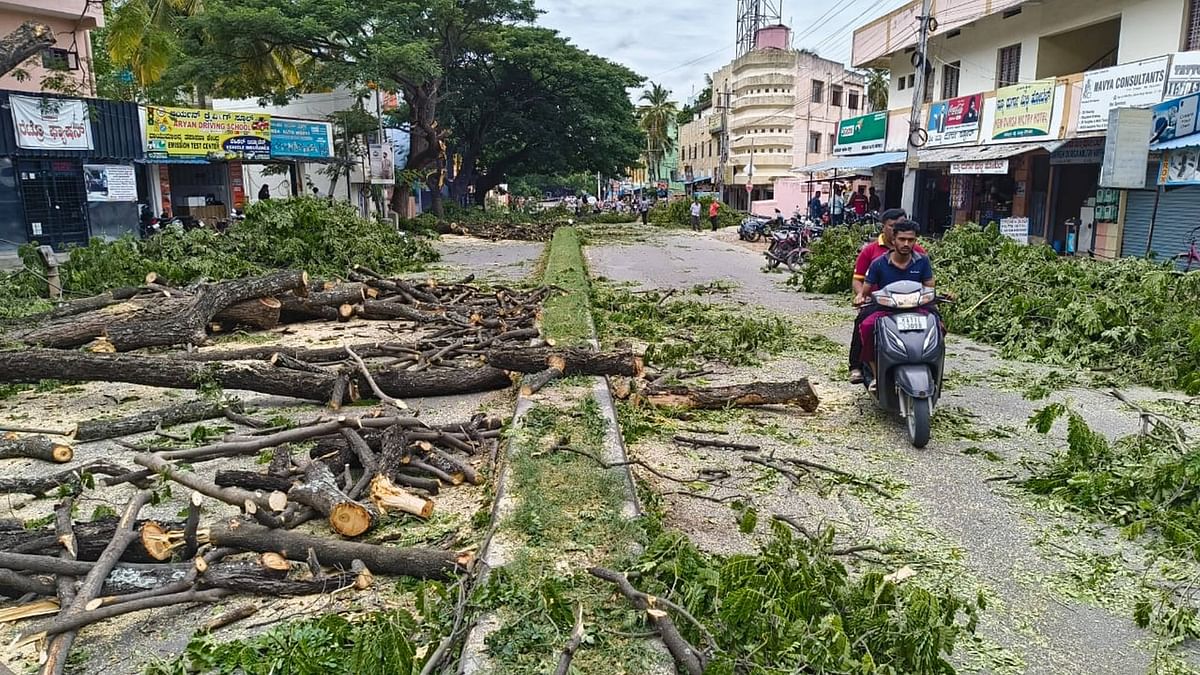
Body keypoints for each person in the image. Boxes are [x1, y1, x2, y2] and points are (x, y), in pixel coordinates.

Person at [848, 208, 926, 384]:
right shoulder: (871, 253)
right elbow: (858, 280)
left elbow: (928, 282)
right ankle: (856, 366)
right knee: (864, 323)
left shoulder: (920, 254)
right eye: (893, 227)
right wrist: (862, 296)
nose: (899, 231)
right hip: (880, 302)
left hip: (912, 302)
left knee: (936, 323)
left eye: (909, 237)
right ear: (884, 227)